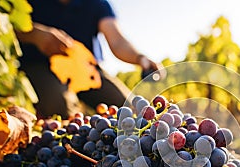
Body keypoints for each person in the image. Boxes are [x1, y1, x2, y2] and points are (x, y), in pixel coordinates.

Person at [17, 0, 159, 118]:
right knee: (60, 107)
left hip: (86, 70)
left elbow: (117, 41)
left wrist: (140, 58)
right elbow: (8, 27)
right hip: (38, 65)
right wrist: (34, 34)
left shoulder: (97, 4)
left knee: (130, 108)